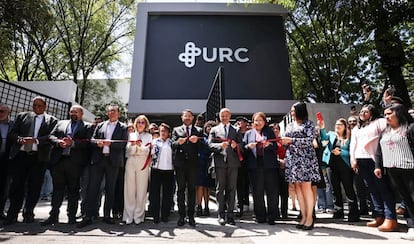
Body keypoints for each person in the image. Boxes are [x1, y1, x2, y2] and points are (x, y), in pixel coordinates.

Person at [4, 96, 58, 225]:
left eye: (39, 105)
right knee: (17, 186)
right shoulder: (22, 116)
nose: (36, 108)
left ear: (45, 107)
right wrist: (19, 139)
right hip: (21, 156)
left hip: (38, 158)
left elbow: (51, 137)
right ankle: (12, 214)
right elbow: (12, 133)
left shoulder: (51, 120)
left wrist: (36, 140)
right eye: (34, 105)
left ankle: (28, 213)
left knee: (34, 186)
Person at [41, 105, 93, 225]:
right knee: (57, 190)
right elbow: (51, 137)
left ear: (81, 113)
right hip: (59, 161)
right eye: (71, 111)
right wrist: (59, 142)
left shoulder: (87, 126)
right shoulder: (60, 123)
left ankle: (71, 216)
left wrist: (73, 143)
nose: (73, 113)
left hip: (74, 163)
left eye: (75, 112)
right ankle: (53, 215)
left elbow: (89, 143)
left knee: (73, 191)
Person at [77, 104, 128, 228]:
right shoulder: (100, 125)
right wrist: (97, 143)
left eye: (114, 111)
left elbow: (123, 144)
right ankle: (88, 216)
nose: (111, 113)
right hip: (99, 161)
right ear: (107, 113)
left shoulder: (123, 128)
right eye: (110, 111)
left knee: (110, 189)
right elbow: (92, 140)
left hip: (113, 162)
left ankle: (107, 216)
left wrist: (109, 144)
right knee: (92, 188)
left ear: (118, 114)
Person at [350, 104, 397, 232]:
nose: (363, 113)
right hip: (361, 160)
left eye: (366, 111)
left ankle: (390, 217)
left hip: (375, 160)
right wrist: (353, 159)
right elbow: (353, 144)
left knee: (383, 187)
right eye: (362, 111)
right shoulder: (357, 128)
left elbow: (387, 134)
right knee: (371, 189)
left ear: (372, 112)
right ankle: (379, 215)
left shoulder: (379, 122)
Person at [374, 104, 414, 239]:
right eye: (385, 114)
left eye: (389, 113)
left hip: (409, 168)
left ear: (399, 113)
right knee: (406, 199)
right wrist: (378, 166)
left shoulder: (410, 128)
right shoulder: (385, 132)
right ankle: (412, 226)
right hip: (392, 169)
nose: (386, 116)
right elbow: (379, 151)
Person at [282, 102, 321, 230]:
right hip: (293, 159)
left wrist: (292, 140)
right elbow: (286, 140)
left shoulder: (309, 124)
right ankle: (303, 216)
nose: (291, 113)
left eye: (293, 111)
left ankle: (310, 218)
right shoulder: (290, 125)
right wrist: (284, 142)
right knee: (297, 187)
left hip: (306, 160)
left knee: (306, 187)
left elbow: (310, 140)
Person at [318, 117, 360, 222]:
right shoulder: (331, 135)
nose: (337, 126)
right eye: (336, 124)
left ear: (345, 127)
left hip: (345, 166)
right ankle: (338, 211)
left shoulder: (349, 138)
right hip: (332, 167)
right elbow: (324, 139)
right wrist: (322, 128)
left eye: (340, 125)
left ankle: (353, 212)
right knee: (335, 189)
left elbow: (352, 153)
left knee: (348, 189)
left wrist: (341, 152)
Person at [244, 112, 279, 225]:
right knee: (257, 191)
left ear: (264, 122)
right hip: (254, 165)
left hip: (269, 165)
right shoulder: (248, 133)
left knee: (271, 191)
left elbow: (275, 146)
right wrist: (248, 147)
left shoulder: (269, 132)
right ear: (253, 122)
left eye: (260, 120)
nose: (258, 122)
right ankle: (260, 216)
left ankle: (272, 215)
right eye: (256, 120)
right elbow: (243, 148)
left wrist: (269, 145)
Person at [209, 108, 243, 225]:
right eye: (222, 116)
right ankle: (221, 214)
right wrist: (220, 146)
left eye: (226, 115)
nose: (224, 118)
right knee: (220, 189)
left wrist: (236, 145)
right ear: (219, 116)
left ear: (230, 116)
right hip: (220, 163)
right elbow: (209, 144)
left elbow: (242, 145)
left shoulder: (236, 130)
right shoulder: (214, 129)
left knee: (232, 189)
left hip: (233, 163)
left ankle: (230, 215)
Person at [171, 109, 203, 227]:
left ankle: (191, 215)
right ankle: (181, 215)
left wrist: (197, 141)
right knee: (180, 190)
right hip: (180, 164)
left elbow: (203, 145)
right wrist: (178, 143)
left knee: (192, 190)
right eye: (185, 116)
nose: (187, 118)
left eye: (189, 116)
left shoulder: (198, 130)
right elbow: (171, 144)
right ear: (182, 117)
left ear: (193, 118)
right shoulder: (176, 130)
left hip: (193, 165)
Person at [121, 115, 152, 225]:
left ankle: (139, 216)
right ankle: (128, 215)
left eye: (143, 122)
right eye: (138, 122)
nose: (140, 124)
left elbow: (147, 151)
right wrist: (133, 146)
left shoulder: (149, 136)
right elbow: (128, 151)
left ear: (146, 124)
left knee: (141, 189)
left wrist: (140, 146)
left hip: (142, 162)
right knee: (129, 189)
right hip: (131, 161)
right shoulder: (131, 134)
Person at [149, 123, 175, 223]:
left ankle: (165, 214)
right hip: (156, 169)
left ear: (169, 133)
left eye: (165, 131)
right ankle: (155, 215)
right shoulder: (154, 141)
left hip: (169, 170)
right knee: (155, 193)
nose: (163, 133)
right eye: (161, 131)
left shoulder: (171, 143)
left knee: (167, 194)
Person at [196, 120, 216, 217]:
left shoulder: (216, 138)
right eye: (208, 126)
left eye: (212, 126)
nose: (210, 128)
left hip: (210, 164)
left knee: (207, 187)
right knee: (200, 185)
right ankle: (199, 206)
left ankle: (207, 207)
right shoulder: (201, 138)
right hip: (200, 163)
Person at [270, 123, 288, 219]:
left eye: (277, 128)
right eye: (273, 129)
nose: (275, 130)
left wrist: (285, 161)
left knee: (284, 192)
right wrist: (278, 160)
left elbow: (288, 152)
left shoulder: (283, 141)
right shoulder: (269, 141)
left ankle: (284, 212)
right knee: (274, 192)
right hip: (273, 169)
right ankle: (275, 213)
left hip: (283, 168)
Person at [0, 104, 13, 220]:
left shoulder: (13, 126)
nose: (0, 113)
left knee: (4, 187)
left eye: (2, 111)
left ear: (9, 112)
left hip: (7, 160)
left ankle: (1, 211)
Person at [235, 116, 250, 217]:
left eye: (241, 121)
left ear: (246, 123)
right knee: (239, 185)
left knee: (247, 184)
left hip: (249, 162)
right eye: (238, 121)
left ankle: (247, 203)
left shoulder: (250, 133)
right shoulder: (235, 133)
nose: (239, 123)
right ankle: (239, 205)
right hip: (238, 162)